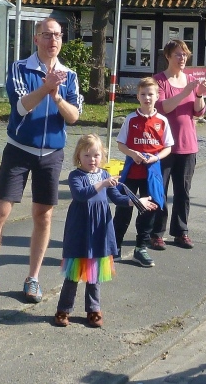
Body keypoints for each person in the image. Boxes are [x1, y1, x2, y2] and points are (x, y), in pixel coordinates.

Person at [0, 18, 83, 304]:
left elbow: (74, 116)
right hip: (19, 150)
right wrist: (45, 88)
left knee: (43, 216)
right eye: (47, 35)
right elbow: (20, 107)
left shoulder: (69, 75)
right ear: (36, 39)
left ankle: (33, 279)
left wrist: (57, 97)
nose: (53, 40)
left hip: (51, 154)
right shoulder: (20, 68)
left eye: (57, 35)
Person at [54, 134, 157, 328]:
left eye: (96, 155)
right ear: (78, 157)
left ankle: (93, 309)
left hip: (99, 228)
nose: (92, 160)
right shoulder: (75, 176)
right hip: (80, 228)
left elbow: (117, 198)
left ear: (102, 156)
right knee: (73, 272)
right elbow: (80, 194)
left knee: (94, 272)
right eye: (87, 155)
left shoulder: (104, 175)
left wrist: (137, 201)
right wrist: (103, 183)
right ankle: (63, 309)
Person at [151, 40, 206, 250]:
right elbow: (163, 107)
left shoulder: (191, 80)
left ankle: (181, 232)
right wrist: (186, 92)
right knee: (159, 191)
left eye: (185, 54)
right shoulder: (159, 81)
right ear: (168, 56)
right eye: (178, 54)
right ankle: (156, 233)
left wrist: (199, 95)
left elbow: (199, 112)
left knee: (183, 192)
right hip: (163, 146)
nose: (182, 58)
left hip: (187, 144)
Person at [113, 77, 174, 267]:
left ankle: (141, 248)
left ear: (157, 96)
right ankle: (114, 247)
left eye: (150, 94)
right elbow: (121, 144)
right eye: (143, 94)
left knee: (149, 210)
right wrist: (133, 153)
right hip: (132, 172)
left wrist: (156, 157)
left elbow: (168, 147)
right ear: (138, 96)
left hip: (151, 174)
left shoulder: (162, 121)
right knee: (123, 210)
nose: (147, 98)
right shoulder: (131, 119)